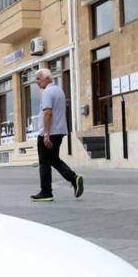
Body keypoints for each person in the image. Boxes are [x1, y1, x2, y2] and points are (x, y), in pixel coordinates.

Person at [31, 67, 82, 202]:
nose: (37, 82)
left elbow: (48, 113)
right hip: (59, 132)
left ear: (47, 78)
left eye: (38, 78)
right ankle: (73, 178)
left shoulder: (47, 92)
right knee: (54, 159)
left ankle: (46, 192)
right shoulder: (59, 90)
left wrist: (46, 135)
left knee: (44, 163)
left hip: (49, 134)